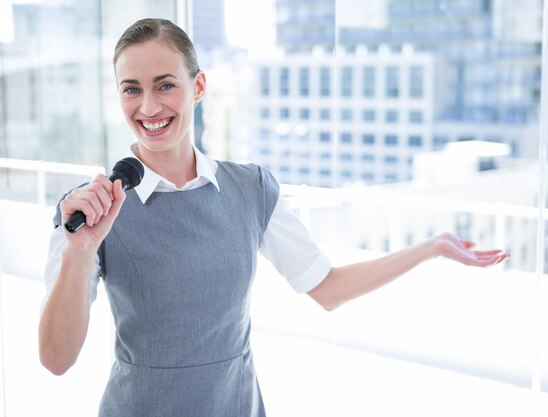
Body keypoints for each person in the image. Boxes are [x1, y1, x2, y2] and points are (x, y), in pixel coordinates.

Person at [38, 18, 510, 417]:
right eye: (131, 90)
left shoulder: (250, 189)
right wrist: (81, 251)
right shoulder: (88, 211)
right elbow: (56, 359)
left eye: (165, 85)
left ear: (198, 86)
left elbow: (327, 288)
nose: (149, 107)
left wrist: (430, 248)